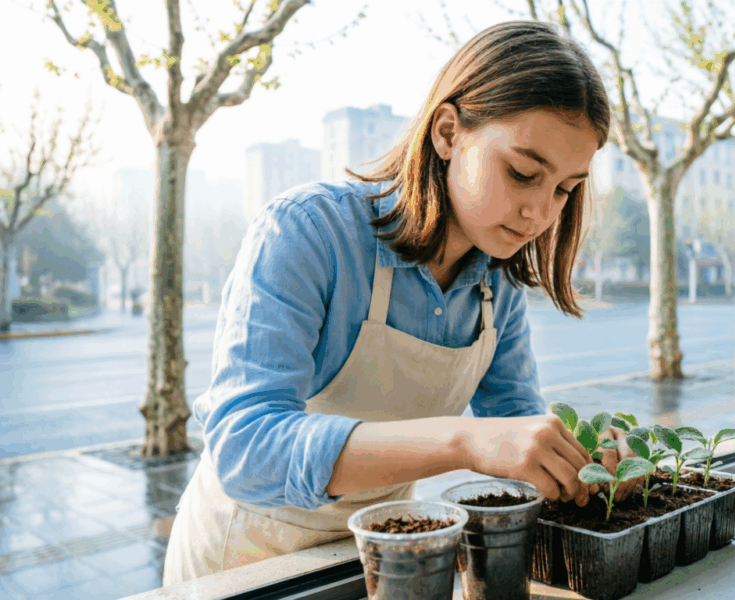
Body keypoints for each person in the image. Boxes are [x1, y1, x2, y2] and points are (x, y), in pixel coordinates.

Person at [163, 20, 641, 585]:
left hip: (387, 552)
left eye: (564, 189)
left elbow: (512, 435)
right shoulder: (308, 233)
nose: (540, 213)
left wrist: (580, 459)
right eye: (522, 173)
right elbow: (247, 448)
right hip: (247, 563)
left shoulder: (496, 284)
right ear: (447, 132)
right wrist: (463, 441)